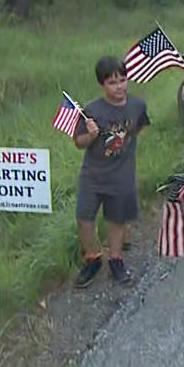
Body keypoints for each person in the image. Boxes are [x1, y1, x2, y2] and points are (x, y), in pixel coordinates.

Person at [72, 55, 151, 288]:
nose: (119, 87)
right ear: (102, 85)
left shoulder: (137, 105)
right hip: (93, 175)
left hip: (122, 174)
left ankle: (116, 259)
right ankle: (93, 258)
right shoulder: (92, 110)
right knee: (84, 218)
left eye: (122, 80)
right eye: (112, 82)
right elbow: (79, 142)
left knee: (117, 219)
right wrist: (91, 135)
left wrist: (125, 149)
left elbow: (139, 128)